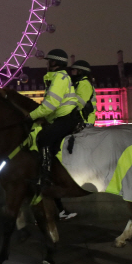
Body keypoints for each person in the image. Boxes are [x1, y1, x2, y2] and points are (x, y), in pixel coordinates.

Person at [26, 48, 79, 189]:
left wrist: (30, 116)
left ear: (55, 62)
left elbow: (50, 105)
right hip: (62, 117)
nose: (47, 64)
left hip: (66, 118)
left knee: (43, 137)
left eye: (49, 61)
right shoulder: (56, 78)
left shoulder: (59, 78)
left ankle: (45, 176)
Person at [70, 60, 97, 127]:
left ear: (80, 71)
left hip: (84, 121)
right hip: (83, 120)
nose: (72, 72)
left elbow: (79, 103)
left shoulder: (84, 84)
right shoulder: (80, 83)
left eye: (74, 70)